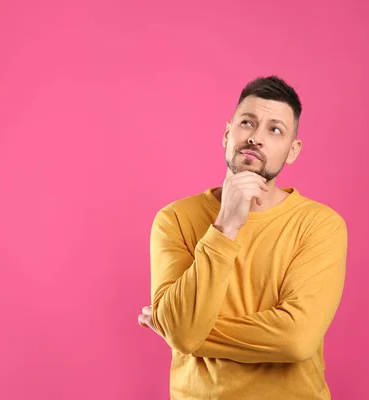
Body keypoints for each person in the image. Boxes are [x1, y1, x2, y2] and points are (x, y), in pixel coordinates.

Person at [137, 76, 348, 399]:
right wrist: (226, 224)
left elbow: (296, 339)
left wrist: (183, 332)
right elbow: (181, 330)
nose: (256, 138)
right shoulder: (175, 220)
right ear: (227, 133)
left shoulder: (319, 225)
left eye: (274, 130)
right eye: (247, 123)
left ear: (292, 151)